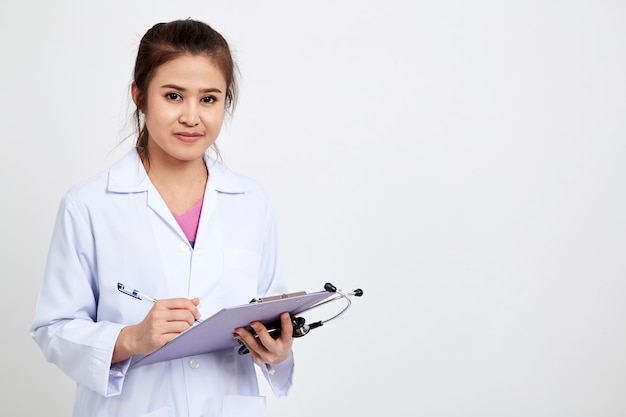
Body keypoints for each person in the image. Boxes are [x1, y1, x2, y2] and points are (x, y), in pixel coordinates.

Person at [30, 18, 294, 417]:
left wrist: (277, 351)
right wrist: (132, 337)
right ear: (139, 96)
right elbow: (53, 330)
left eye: (209, 99)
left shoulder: (251, 201)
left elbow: (271, 313)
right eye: (173, 96)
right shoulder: (89, 204)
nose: (191, 116)